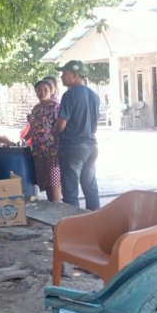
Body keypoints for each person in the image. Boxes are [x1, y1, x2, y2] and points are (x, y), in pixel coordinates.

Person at [53, 61, 100, 210]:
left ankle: (72, 225)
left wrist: (54, 135)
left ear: (74, 75)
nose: (61, 77)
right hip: (92, 146)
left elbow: (61, 124)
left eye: (64, 73)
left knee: (70, 190)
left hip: (73, 147)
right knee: (90, 187)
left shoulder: (69, 95)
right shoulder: (94, 95)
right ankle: (95, 220)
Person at [28, 80, 61, 202]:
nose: (42, 93)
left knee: (54, 183)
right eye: (39, 90)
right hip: (38, 151)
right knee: (46, 183)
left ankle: (57, 213)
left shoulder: (56, 107)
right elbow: (33, 128)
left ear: (51, 91)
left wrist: (59, 148)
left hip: (52, 151)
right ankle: (51, 210)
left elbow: (61, 128)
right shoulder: (36, 109)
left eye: (45, 90)